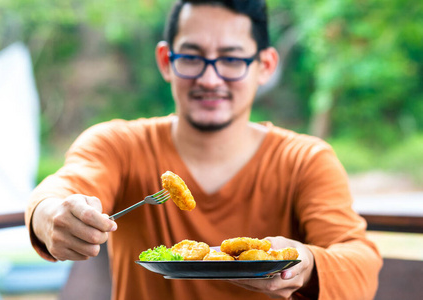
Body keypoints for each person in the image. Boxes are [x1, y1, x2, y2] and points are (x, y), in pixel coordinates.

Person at [25, 0, 383, 299]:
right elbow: (60, 191)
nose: (210, 79)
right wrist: (51, 215)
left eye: (231, 60)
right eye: (192, 58)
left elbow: (359, 266)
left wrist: (306, 263)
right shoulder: (119, 145)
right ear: (166, 61)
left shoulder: (304, 161)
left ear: (265, 66)